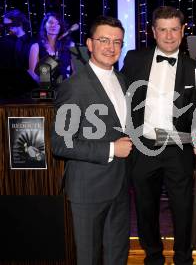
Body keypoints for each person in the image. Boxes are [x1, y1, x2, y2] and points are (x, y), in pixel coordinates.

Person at [122, 6, 196, 265]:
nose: (169, 36)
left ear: (182, 30)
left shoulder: (193, 67)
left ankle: (183, 258)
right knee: (145, 208)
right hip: (143, 148)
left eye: (174, 29)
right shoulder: (134, 59)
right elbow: (119, 99)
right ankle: (153, 257)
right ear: (153, 32)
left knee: (183, 209)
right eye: (163, 30)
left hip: (179, 148)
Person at [51, 16, 131, 265]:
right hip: (88, 189)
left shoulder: (122, 80)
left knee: (117, 255)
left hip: (119, 186)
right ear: (90, 44)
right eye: (104, 40)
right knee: (89, 258)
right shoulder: (74, 86)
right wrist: (111, 148)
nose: (111, 47)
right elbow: (61, 143)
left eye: (117, 42)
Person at [28, 12, 74, 84]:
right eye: (50, 22)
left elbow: (75, 72)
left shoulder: (69, 46)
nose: (53, 25)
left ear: (60, 27)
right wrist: (44, 79)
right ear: (44, 25)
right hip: (46, 90)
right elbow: (32, 75)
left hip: (66, 89)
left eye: (57, 23)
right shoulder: (36, 47)